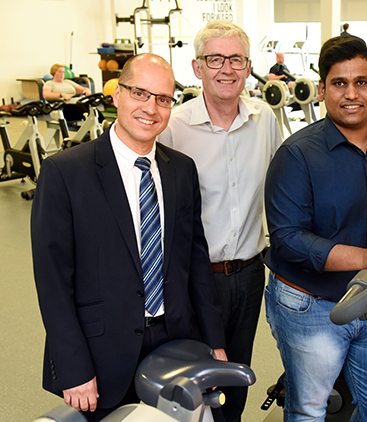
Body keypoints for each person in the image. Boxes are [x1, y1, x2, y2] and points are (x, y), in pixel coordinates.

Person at [32, 53, 227, 422]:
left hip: (175, 341)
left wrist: (214, 342)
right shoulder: (65, 173)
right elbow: (52, 283)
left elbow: (196, 264)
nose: (151, 108)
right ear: (117, 95)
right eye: (140, 93)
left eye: (163, 99)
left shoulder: (181, 170)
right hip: (101, 351)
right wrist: (73, 368)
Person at [264, 35, 367, 422]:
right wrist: (363, 255)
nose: (351, 93)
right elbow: (288, 239)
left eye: (361, 82)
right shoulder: (296, 155)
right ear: (322, 90)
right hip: (311, 304)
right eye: (339, 83)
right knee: (309, 409)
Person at [158, 20, 281, 422]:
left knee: (235, 378)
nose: (226, 69)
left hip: (248, 274)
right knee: (194, 381)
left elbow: (283, 186)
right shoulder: (172, 126)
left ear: (248, 67)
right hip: (193, 278)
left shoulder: (265, 120)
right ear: (197, 68)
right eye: (215, 59)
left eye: (236, 59)